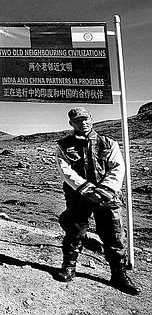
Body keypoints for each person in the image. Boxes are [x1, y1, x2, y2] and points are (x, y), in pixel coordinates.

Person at [55, 107, 139, 295]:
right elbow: (65, 170)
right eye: (77, 120)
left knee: (114, 235)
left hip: (107, 198)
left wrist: (102, 191)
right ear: (71, 124)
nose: (82, 123)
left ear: (91, 119)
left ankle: (119, 274)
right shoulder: (64, 145)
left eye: (85, 119)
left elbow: (117, 168)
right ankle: (69, 266)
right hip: (78, 196)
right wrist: (86, 189)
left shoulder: (108, 143)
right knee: (74, 232)